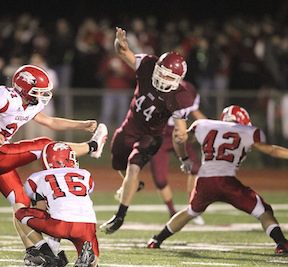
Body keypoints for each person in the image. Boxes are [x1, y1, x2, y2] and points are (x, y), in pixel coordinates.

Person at [0, 65, 108, 265]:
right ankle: (93, 147)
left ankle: (39, 252)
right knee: (44, 144)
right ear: (24, 87)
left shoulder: (30, 104)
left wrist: (80, 124)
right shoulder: (6, 97)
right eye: (38, 91)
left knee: (20, 206)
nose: (41, 95)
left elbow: (50, 121)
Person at [147, 105, 288, 255]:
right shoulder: (249, 131)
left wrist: (185, 159)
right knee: (264, 211)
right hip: (227, 182)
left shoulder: (203, 124)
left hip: (204, 181)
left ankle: (156, 240)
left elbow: (179, 138)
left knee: (191, 211)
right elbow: (271, 150)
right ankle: (282, 243)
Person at [100, 27, 196, 235]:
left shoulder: (180, 97)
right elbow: (122, 52)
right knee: (119, 164)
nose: (163, 79)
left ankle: (119, 216)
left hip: (151, 136)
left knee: (134, 168)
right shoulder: (147, 64)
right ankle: (134, 185)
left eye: (169, 77)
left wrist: (184, 155)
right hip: (130, 126)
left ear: (179, 79)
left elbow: (180, 133)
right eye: (161, 73)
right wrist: (120, 43)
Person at [114, 80, 206, 224]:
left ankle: (192, 208)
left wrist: (212, 127)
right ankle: (172, 212)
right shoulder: (155, 88)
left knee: (195, 168)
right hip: (160, 136)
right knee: (160, 180)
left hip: (179, 134)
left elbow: (193, 113)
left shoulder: (188, 89)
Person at [16, 141, 99, 267]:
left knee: (20, 214)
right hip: (88, 226)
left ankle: (46, 253)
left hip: (60, 225)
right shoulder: (85, 174)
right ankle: (89, 259)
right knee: (94, 258)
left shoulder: (37, 177)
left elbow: (41, 210)